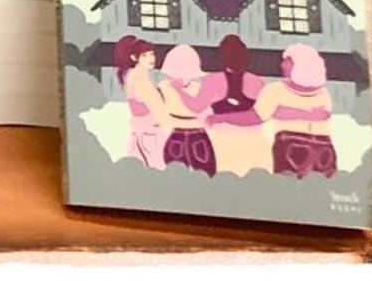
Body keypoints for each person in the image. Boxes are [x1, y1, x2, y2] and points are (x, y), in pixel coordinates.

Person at [254, 44, 338, 179]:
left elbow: (258, 116)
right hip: (324, 147)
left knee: (288, 187)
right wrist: (306, 114)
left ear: (300, 65)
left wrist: (223, 117)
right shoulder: (324, 92)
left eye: (287, 62)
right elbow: (323, 115)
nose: (282, 65)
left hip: (292, 146)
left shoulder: (275, 89)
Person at [202, 33, 270, 177]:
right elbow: (259, 117)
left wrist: (219, 119)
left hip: (226, 139)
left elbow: (202, 114)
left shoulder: (212, 81)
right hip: (249, 140)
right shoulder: (256, 82)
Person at [158, 44, 217, 176]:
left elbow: (208, 115)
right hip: (183, 135)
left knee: (203, 174)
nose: (181, 77)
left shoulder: (197, 87)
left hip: (193, 136)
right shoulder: (165, 87)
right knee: (179, 175)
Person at [113, 35, 167, 169]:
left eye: (152, 54)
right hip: (151, 137)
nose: (151, 58)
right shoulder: (142, 83)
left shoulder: (132, 76)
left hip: (139, 136)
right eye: (144, 55)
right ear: (134, 57)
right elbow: (161, 114)